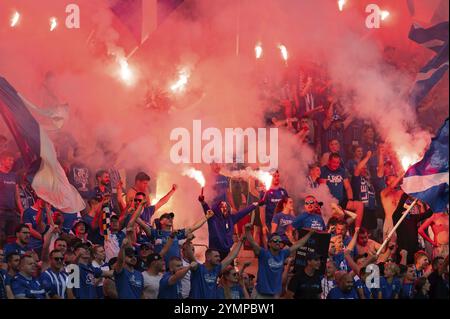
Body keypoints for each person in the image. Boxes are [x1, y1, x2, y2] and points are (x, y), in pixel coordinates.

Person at [244, 223, 314, 299]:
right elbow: (252, 243)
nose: (278, 242)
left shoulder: (283, 253)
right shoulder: (264, 254)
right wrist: (247, 231)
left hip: (274, 295)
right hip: (261, 294)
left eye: (279, 241)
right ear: (269, 243)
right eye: (275, 240)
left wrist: (310, 234)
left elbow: (298, 244)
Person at [199, 194, 259, 260]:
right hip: (214, 252)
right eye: (223, 207)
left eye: (226, 207)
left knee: (229, 269)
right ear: (217, 209)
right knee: (216, 269)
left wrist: (255, 204)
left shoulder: (231, 218)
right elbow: (206, 209)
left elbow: (243, 212)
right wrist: (203, 202)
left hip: (227, 251)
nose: (225, 209)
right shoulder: (212, 218)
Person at [186, 234, 246, 299]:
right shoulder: (198, 268)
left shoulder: (216, 269)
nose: (219, 258)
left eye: (219, 256)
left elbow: (231, 256)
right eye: (216, 256)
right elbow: (190, 255)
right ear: (208, 257)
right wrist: (188, 241)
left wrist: (241, 241)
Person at [320, 152, 364, 227]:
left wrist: (350, 199)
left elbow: (348, 187)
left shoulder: (341, 171)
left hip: (341, 200)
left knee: (359, 205)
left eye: (338, 163)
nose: (336, 164)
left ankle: (356, 232)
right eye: (334, 162)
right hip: (330, 202)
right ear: (329, 161)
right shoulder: (324, 170)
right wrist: (333, 204)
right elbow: (323, 188)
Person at [393, 197, 433, 264]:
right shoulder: (396, 218)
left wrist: (434, 201)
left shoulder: (412, 218)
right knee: (403, 270)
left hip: (414, 250)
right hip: (403, 250)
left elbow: (428, 214)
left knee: (413, 269)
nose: (411, 208)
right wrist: (406, 192)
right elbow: (399, 206)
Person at [0, 151, 24, 247]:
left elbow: (17, 195)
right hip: (1, 212)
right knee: (1, 238)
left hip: (12, 212)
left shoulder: (14, 176)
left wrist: (21, 210)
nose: (11, 162)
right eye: (9, 160)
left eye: (13, 160)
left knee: (12, 237)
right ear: (2, 160)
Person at [260, 170, 289, 235]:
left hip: (282, 223)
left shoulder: (283, 191)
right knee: (272, 243)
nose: (277, 178)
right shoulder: (265, 192)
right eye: (274, 176)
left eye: (278, 176)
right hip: (270, 222)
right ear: (270, 177)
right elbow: (262, 210)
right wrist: (264, 225)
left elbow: (289, 207)